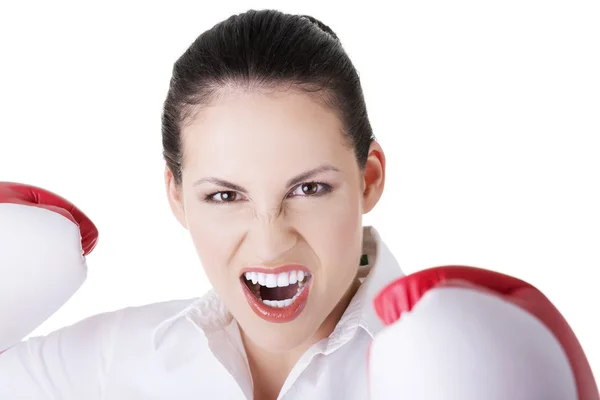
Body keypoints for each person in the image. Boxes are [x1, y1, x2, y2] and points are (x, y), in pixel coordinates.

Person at [0, 9, 597, 400]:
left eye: (308, 188)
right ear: (176, 197)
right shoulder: (115, 361)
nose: (269, 241)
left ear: (368, 178)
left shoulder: (460, 368)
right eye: (225, 195)